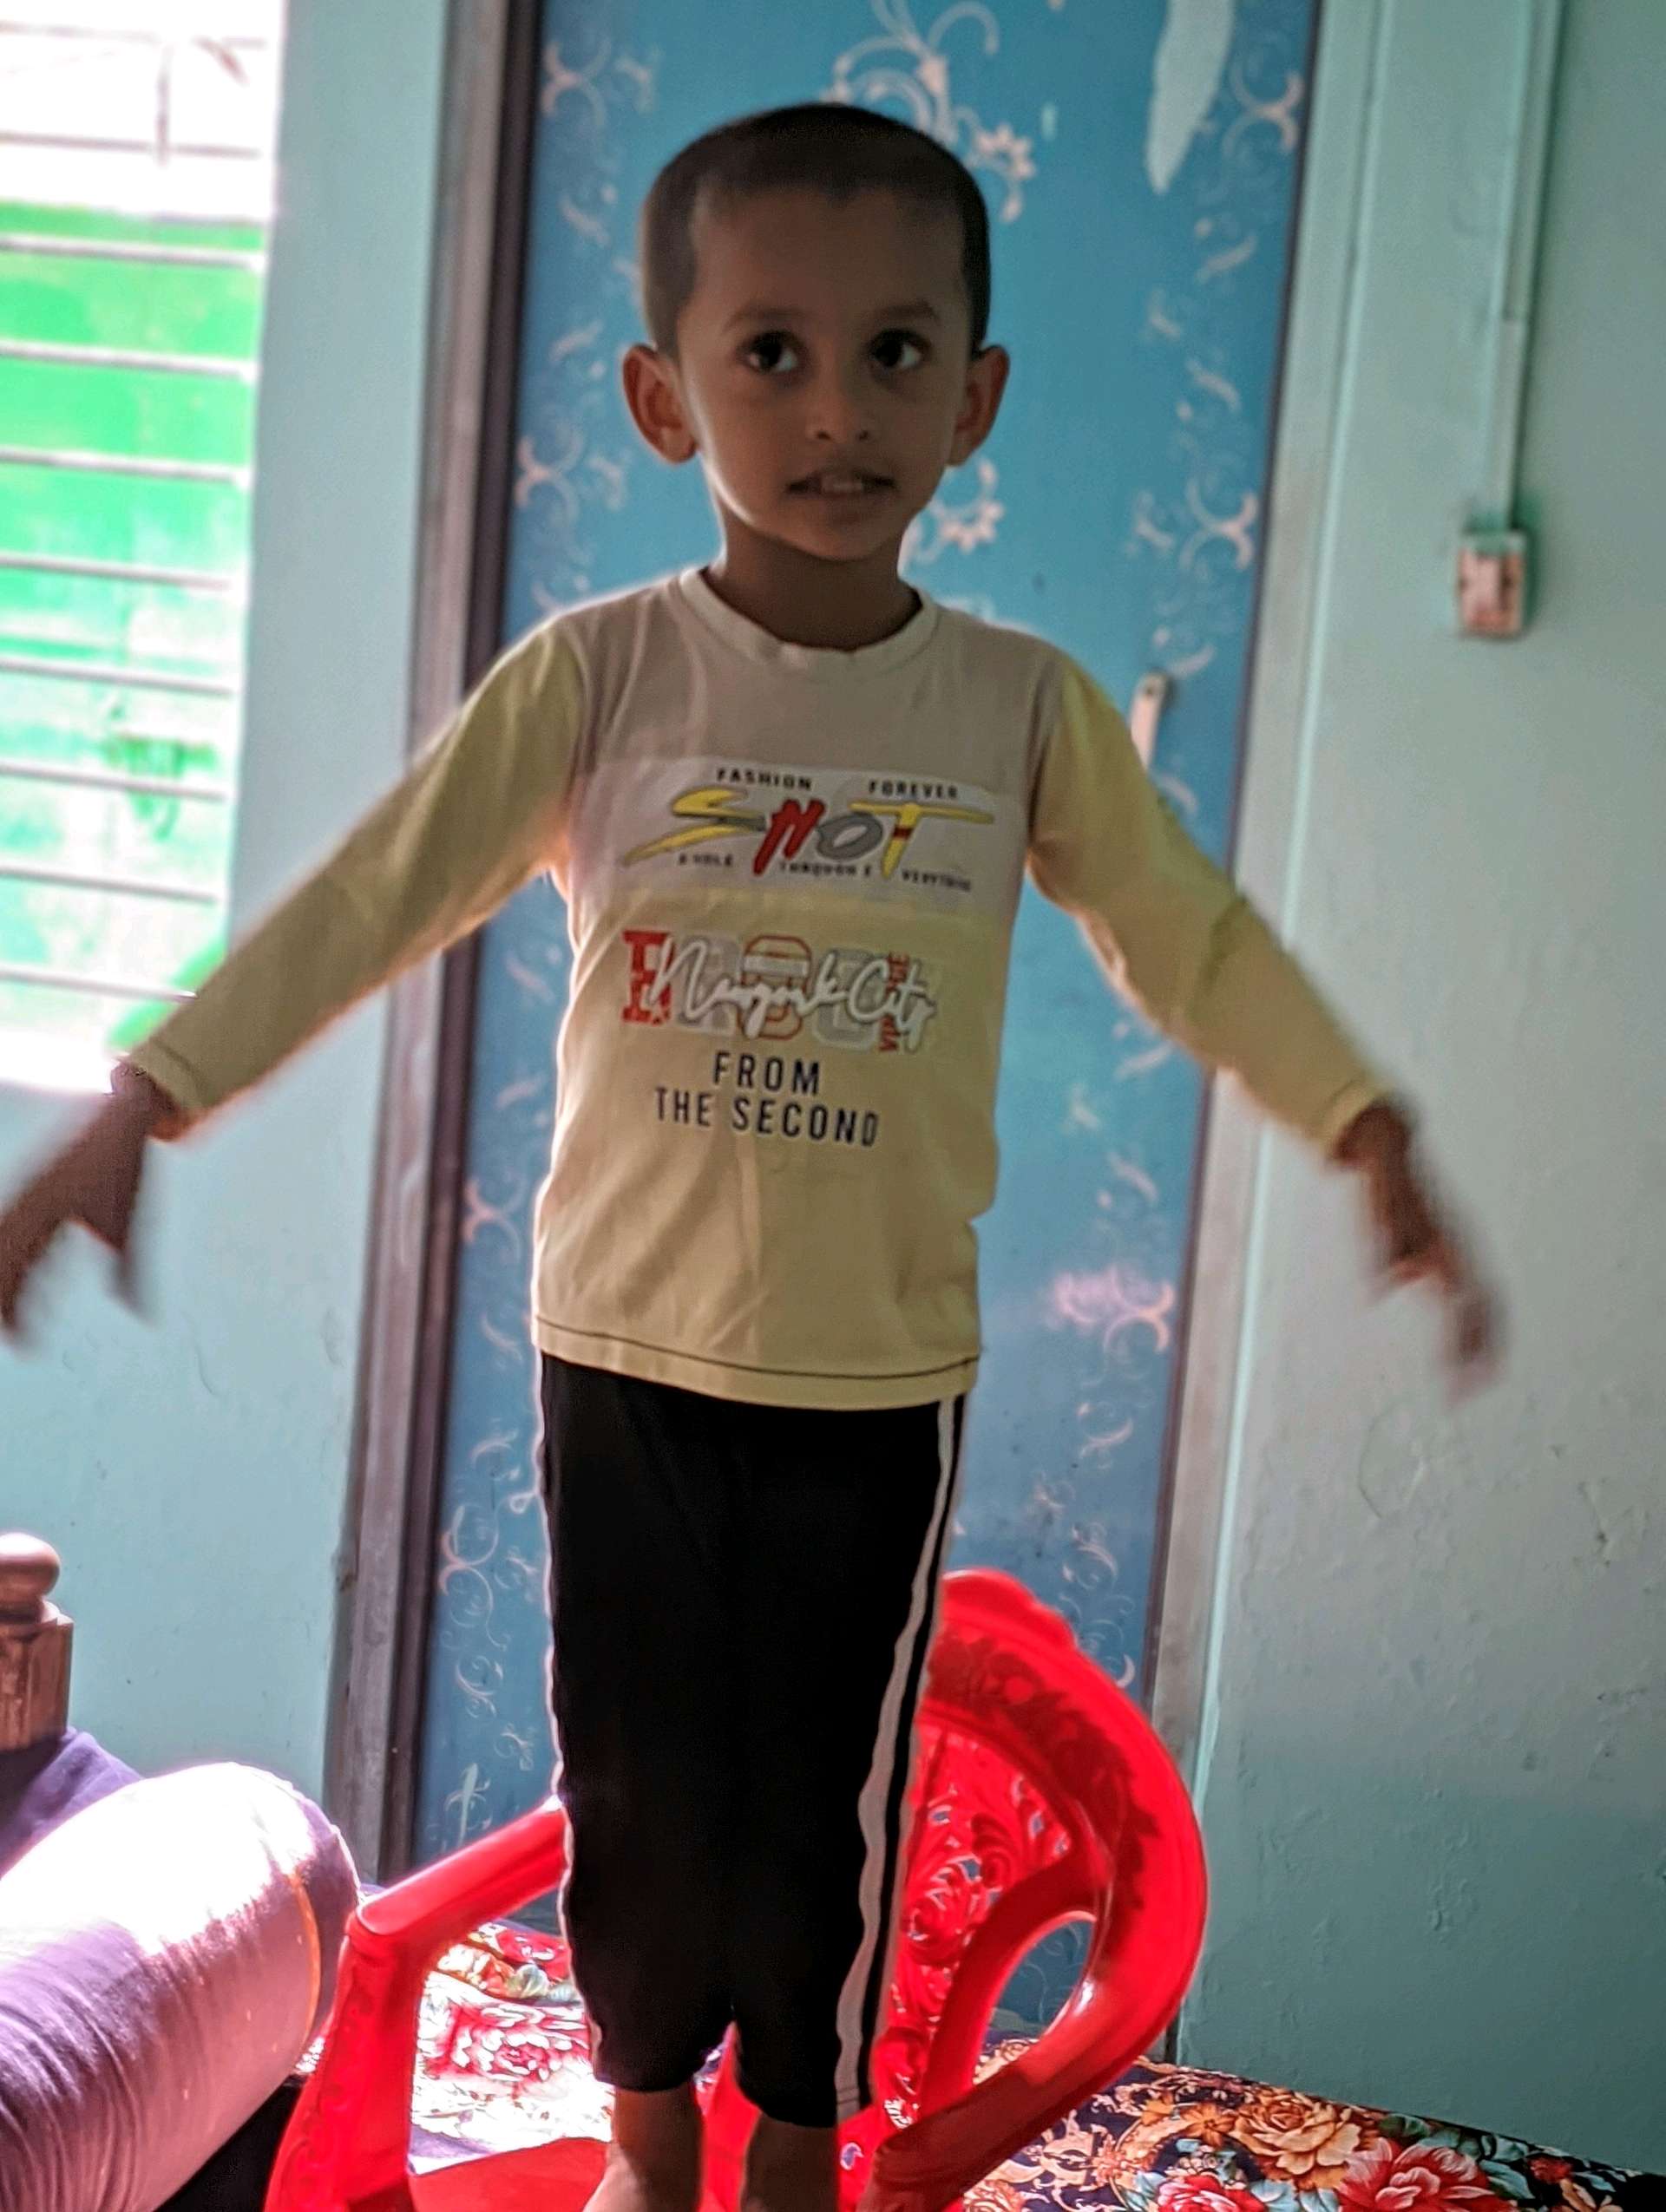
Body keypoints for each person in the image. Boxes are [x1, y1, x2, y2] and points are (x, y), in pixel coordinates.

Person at [0, 103, 1497, 2212]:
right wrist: (143, 1098)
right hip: (622, 1343)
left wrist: (1363, 1120)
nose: (836, 408)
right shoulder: (601, 679)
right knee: (635, 1793)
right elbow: (369, 897)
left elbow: (1201, 941)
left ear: (974, 400)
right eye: (770, 353)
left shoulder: (1019, 711)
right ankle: (643, 2135)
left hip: (870, 1373)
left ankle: (793, 2145)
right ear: (662, 393)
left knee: (820, 1813)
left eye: (897, 353)